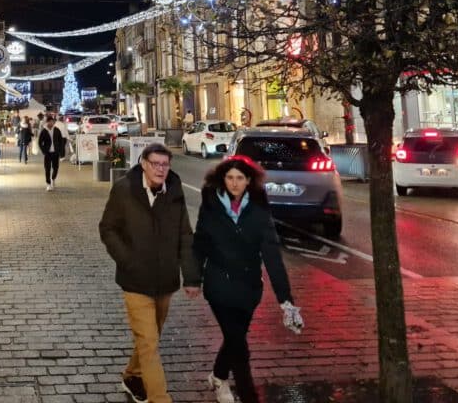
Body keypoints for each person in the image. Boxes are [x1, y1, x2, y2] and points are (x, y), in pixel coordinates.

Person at [192, 155, 304, 403]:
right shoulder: (211, 205)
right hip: (218, 285)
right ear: (222, 179)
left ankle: (218, 375)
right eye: (229, 178)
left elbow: (272, 254)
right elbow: (200, 242)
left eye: (239, 178)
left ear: (249, 181)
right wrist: (192, 278)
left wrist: (285, 300)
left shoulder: (259, 209)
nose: (234, 183)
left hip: (249, 288)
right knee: (238, 344)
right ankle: (248, 395)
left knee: (235, 338)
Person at [99, 143, 201, 403]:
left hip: (165, 280)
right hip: (135, 279)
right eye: (155, 163)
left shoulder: (174, 190)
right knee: (149, 342)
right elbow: (107, 228)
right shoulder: (124, 189)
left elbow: (185, 235)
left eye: (165, 164)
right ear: (143, 163)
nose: (160, 169)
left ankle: (132, 375)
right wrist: (126, 259)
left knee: (150, 338)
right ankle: (160, 398)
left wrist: (190, 277)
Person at [37, 115, 65, 191]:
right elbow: (40, 142)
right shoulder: (44, 131)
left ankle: (53, 179)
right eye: (51, 121)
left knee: (56, 168)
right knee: (47, 168)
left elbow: (61, 141)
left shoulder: (57, 130)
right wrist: (44, 151)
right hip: (48, 153)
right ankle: (48, 184)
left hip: (56, 152)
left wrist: (60, 151)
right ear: (47, 122)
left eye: (53, 121)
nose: (52, 123)